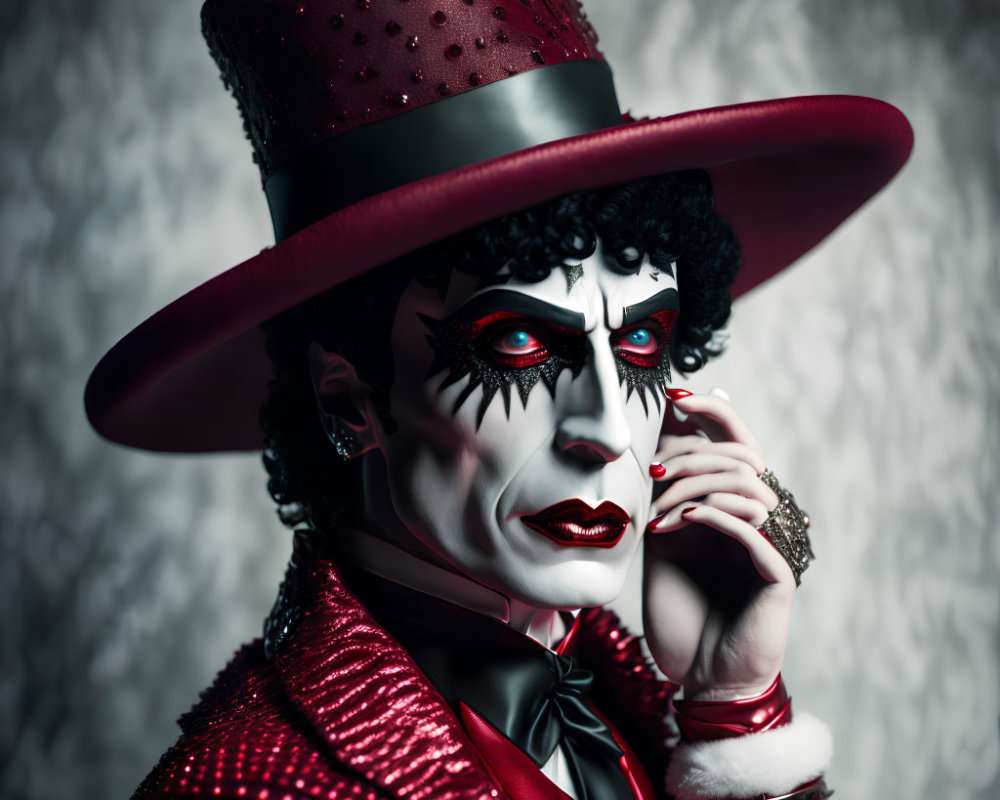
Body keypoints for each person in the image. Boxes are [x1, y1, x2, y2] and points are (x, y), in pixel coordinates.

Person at [85, 1, 912, 798]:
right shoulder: (247, 783)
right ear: (348, 400)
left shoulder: (623, 700)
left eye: (640, 345)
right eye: (519, 344)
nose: (609, 427)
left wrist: (734, 711)